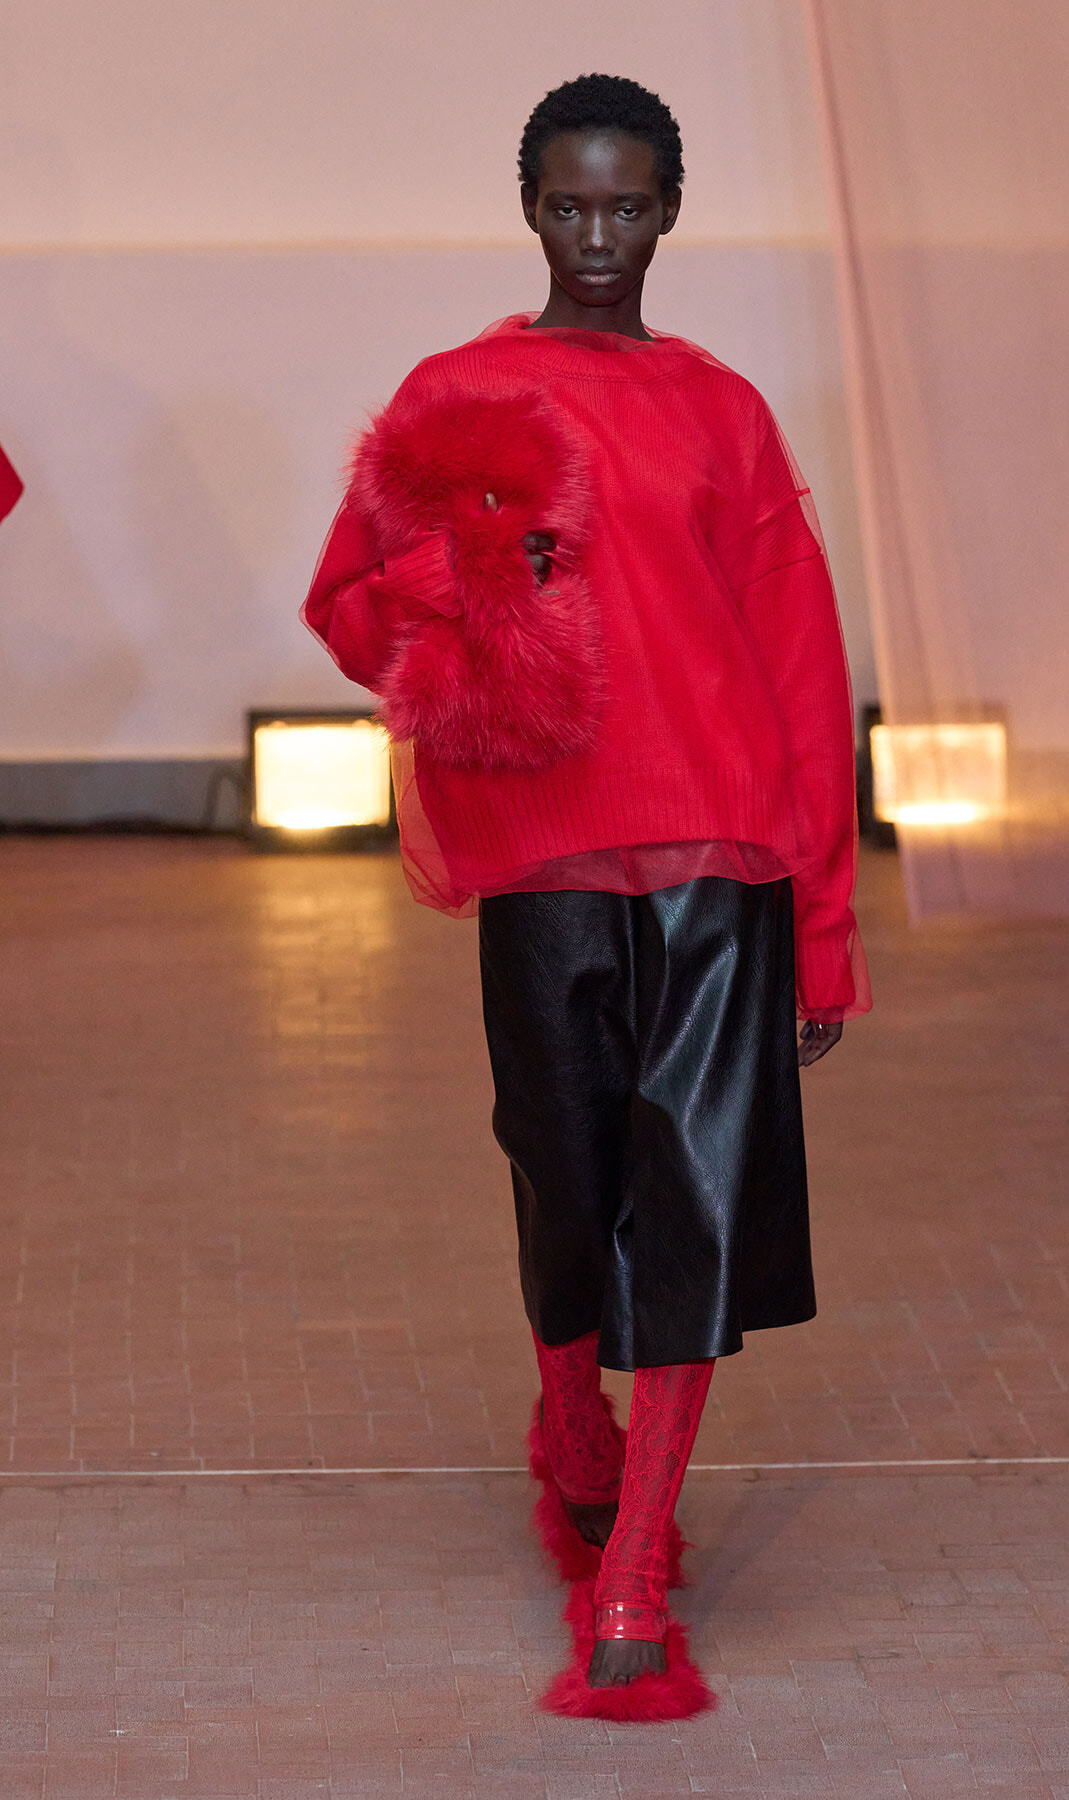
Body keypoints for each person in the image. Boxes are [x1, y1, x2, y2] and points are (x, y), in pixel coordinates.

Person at [303, 73, 870, 1720]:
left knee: (692, 1196)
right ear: (531, 208)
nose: (599, 236)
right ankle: (569, 1423)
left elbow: (798, 665)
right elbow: (350, 612)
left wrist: (823, 923)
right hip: (544, 846)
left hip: (719, 851)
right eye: (570, 206)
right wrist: (475, 571)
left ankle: (633, 1569)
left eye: (628, 207)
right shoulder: (459, 394)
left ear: (669, 211)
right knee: (562, 1174)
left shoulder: (723, 412)